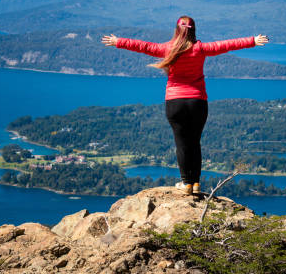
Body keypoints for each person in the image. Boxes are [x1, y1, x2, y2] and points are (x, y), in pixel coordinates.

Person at [101, 16, 269, 195]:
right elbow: (227, 45)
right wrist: (253, 40)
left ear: (176, 30)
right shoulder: (201, 48)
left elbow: (143, 46)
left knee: (182, 144)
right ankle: (195, 184)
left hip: (175, 103)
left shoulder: (167, 49)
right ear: (193, 30)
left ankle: (186, 184)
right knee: (195, 143)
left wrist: (118, 41)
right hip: (198, 102)